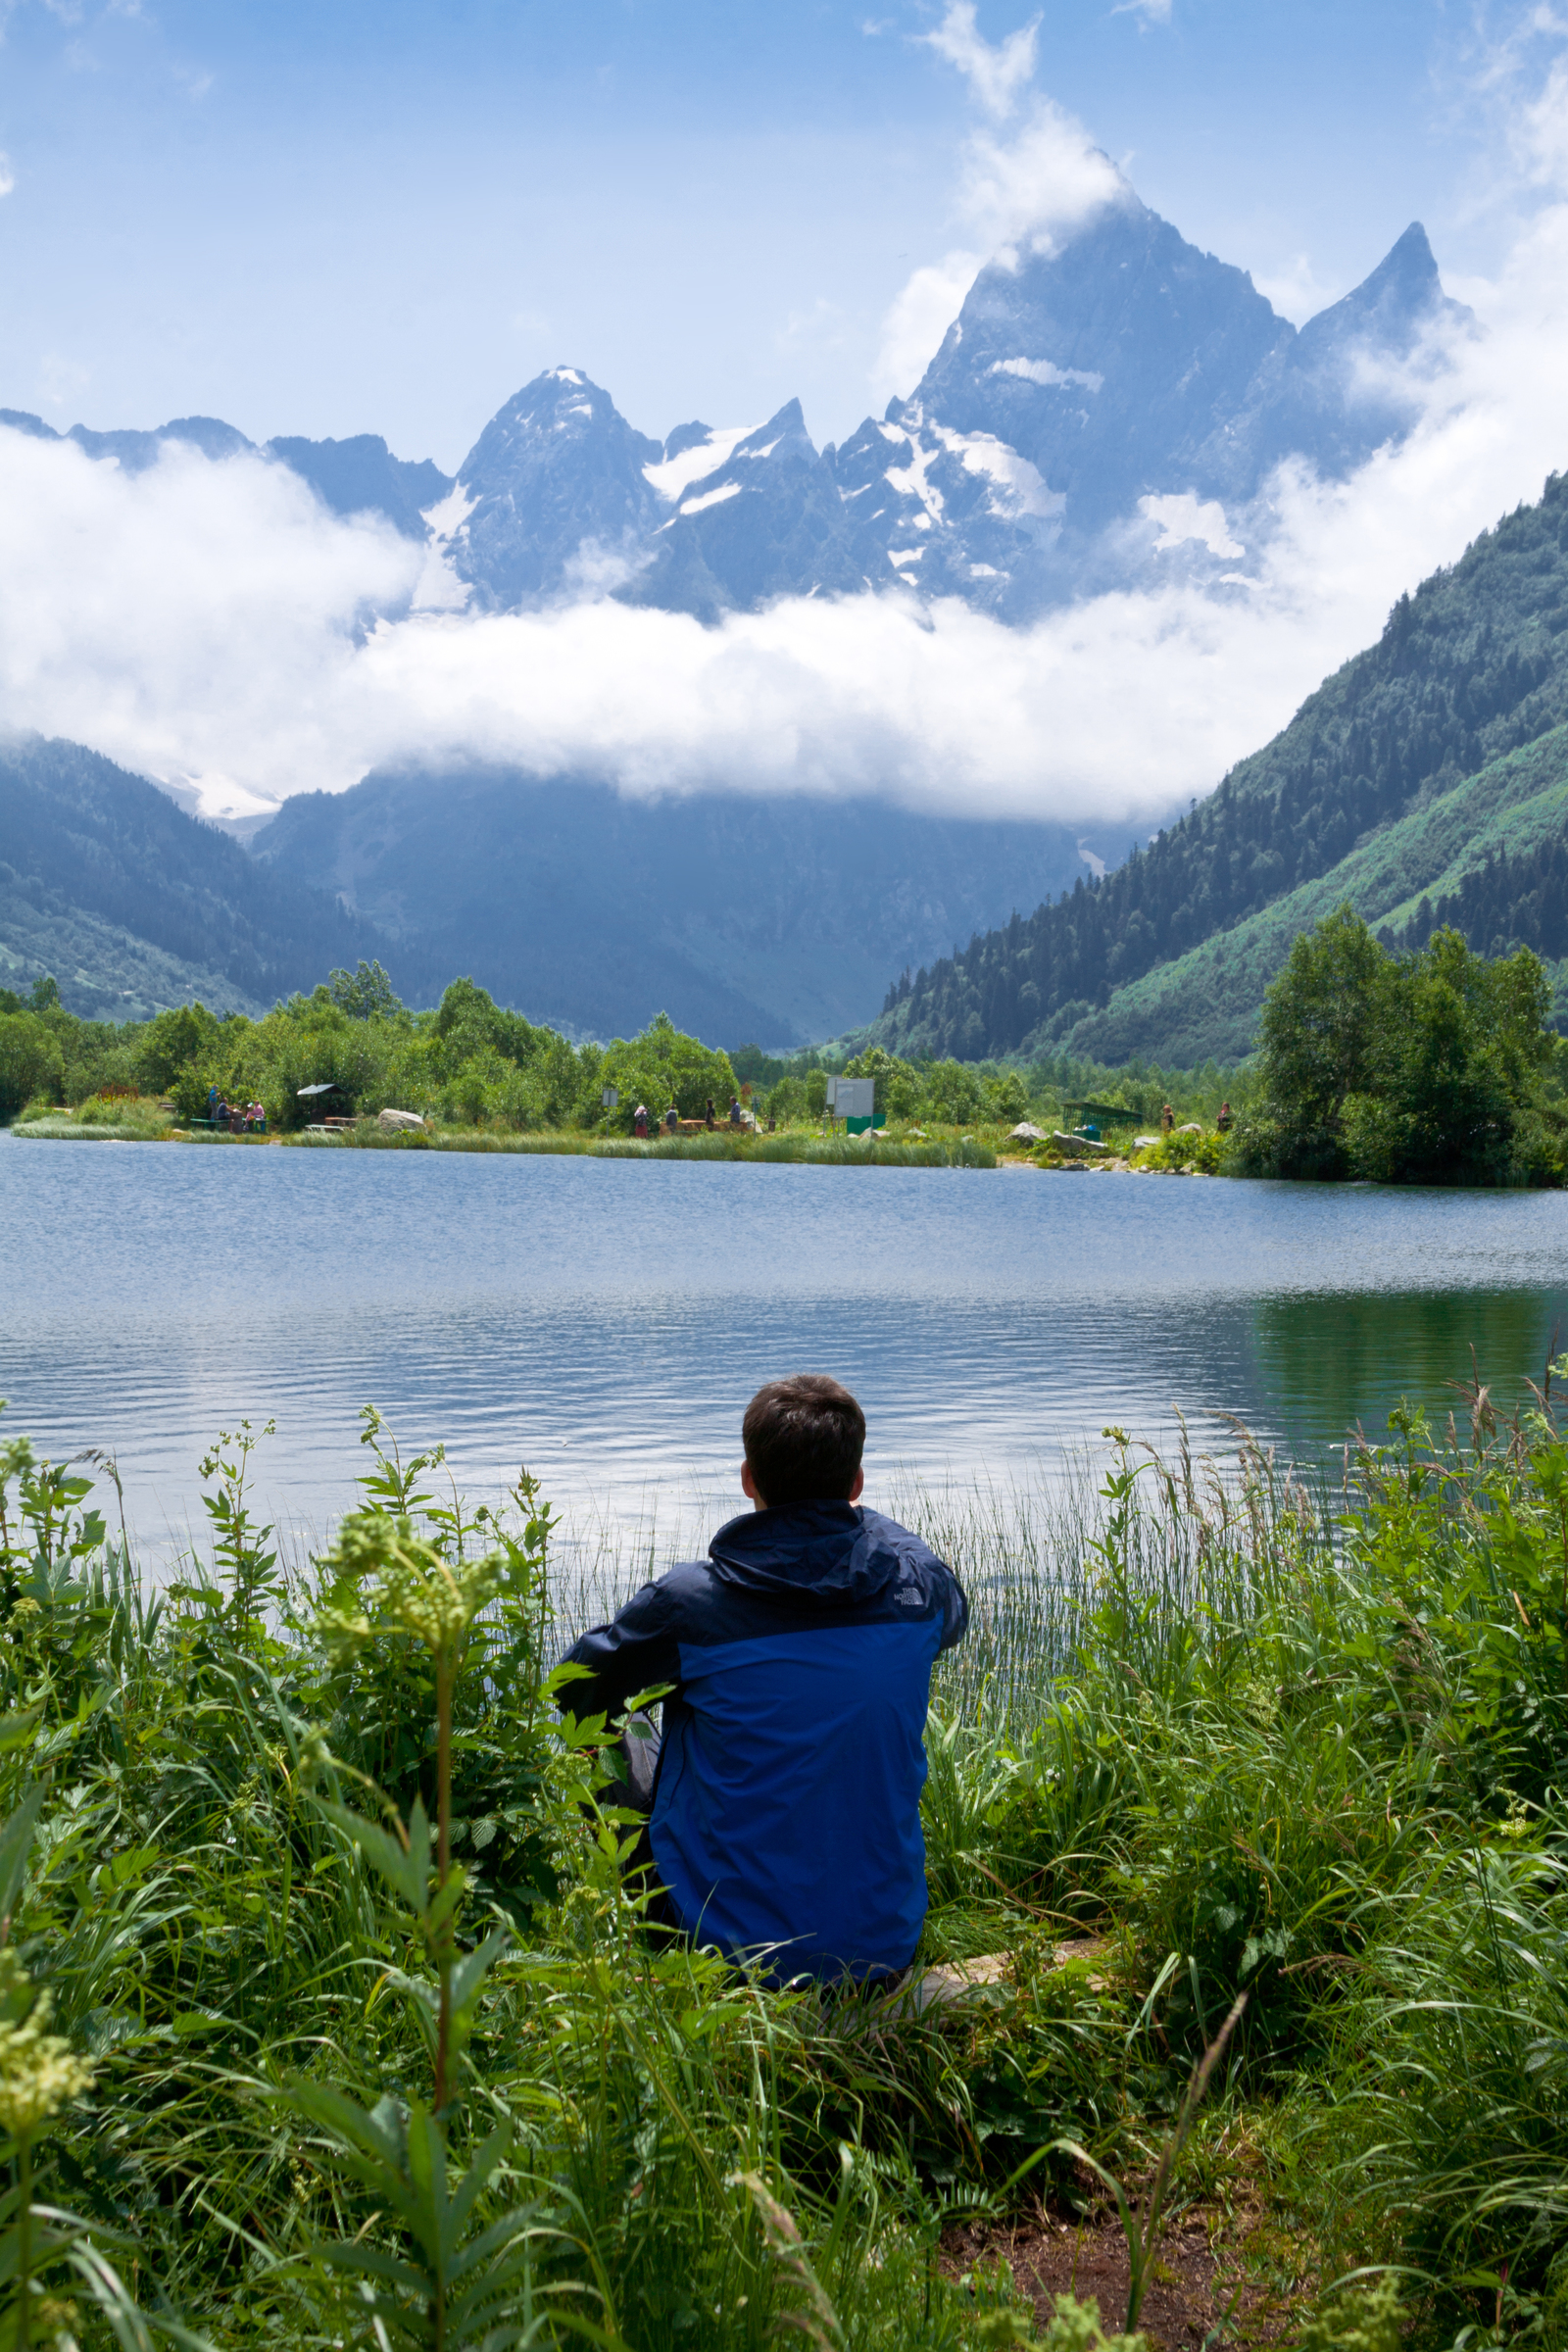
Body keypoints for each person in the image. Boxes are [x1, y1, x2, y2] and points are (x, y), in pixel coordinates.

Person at [558, 1374, 968, 1983]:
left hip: (727, 1954)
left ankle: (649, 1920)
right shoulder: (918, 1593)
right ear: (856, 1485)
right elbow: (947, 1600)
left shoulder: (692, 1605)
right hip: (883, 1947)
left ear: (748, 1479)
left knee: (622, 1718)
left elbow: (574, 1688)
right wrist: (852, 1519)